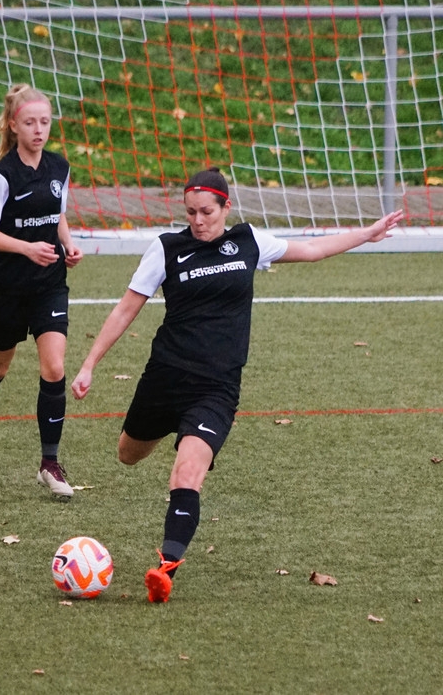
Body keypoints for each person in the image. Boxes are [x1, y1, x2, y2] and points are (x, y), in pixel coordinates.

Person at [71, 167, 403, 601]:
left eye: (206, 212)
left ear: (226, 207)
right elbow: (125, 309)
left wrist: (367, 234)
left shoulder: (249, 241)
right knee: (127, 455)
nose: (198, 221)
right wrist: (89, 364)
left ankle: (166, 568)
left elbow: (312, 249)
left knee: (188, 471)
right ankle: (164, 432)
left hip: (216, 389)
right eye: (190, 212)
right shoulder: (167, 249)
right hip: (165, 379)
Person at [0, 83, 83, 498]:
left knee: (54, 368)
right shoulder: (0, 176)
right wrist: (26, 248)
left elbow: (56, 214)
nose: (39, 129)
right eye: (30, 122)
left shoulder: (59, 167)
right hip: (7, 288)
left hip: (49, 285)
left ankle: (50, 463)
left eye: (44, 122)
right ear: (13, 125)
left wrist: (68, 243)